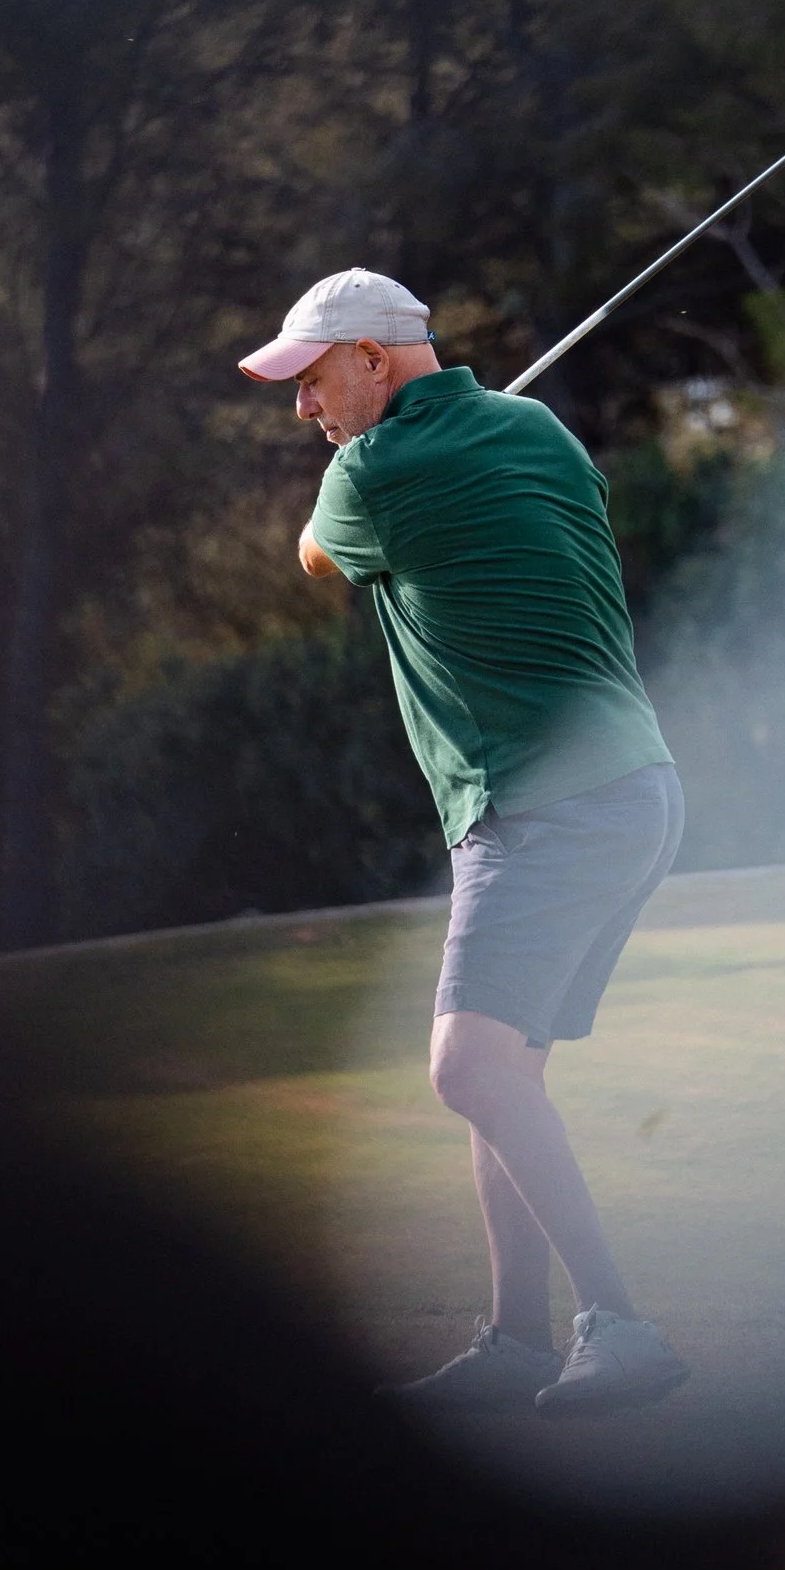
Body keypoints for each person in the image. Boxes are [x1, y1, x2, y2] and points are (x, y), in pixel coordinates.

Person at [239, 268, 689, 1418]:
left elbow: (315, 561)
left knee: (467, 1069)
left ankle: (617, 1324)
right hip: (634, 788)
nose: (304, 408)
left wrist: (350, 479)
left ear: (378, 361)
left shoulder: (370, 475)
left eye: (315, 380)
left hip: (536, 807)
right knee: (508, 1073)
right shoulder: (535, 429)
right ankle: (514, 1340)